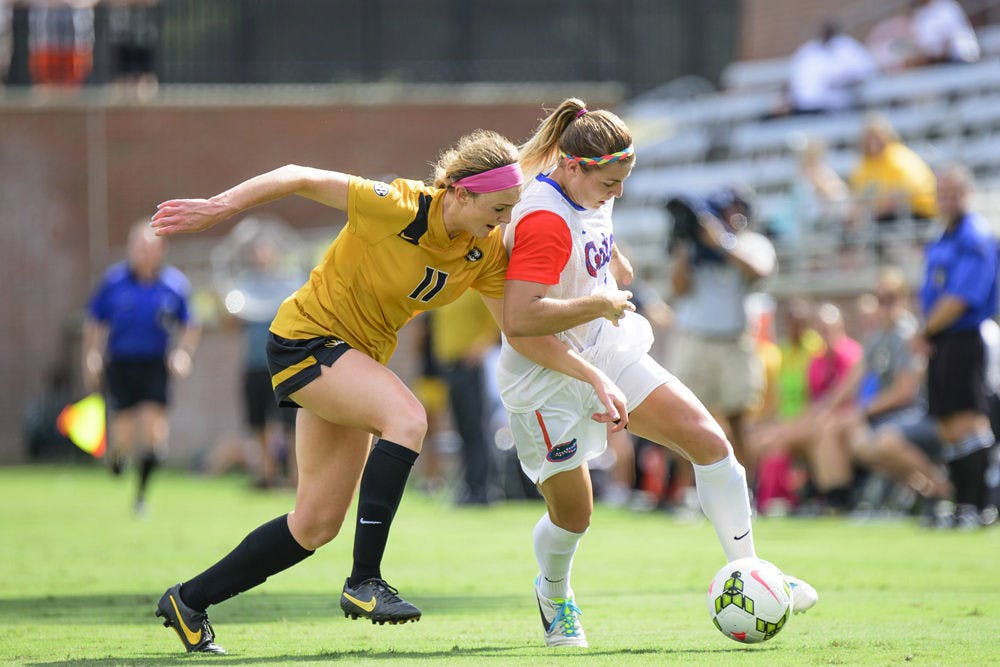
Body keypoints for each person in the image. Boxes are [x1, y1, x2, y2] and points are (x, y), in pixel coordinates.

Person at [148, 130, 612, 655]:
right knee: (408, 419)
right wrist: (218, 208)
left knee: (314, 525)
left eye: (512, 210)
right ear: (460, 193)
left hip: (354, 360)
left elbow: (522, 327)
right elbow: (297, 176)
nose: (504, 222)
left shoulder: (482, 251)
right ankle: (364, 580)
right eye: (499, 208)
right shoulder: (398, 205)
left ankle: (188, 602)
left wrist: (593, 376)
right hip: (306, 339)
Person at [495, 98, 817, 649]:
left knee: (710, 442)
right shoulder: (544, 218)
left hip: (606, 351)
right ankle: (554, 595)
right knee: (574, 517)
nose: (617, 193)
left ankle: (751, 571)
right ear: (573, 166)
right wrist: (598, 306)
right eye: (611, 183)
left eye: (623, 181)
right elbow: (521, 319)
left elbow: (594, 233)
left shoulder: (587, 190)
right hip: (546, 374)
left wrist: (611, 263)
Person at [82, 221, 200, 515]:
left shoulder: (174, 285)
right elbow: (96, 322)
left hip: (154, 365)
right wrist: (92, 355)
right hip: (120, 364)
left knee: (153, 434)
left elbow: (190, 325)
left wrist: (183, 354)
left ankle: (141, 497)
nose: (143, 253)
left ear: (160, 250)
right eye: (138, 247)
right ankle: (116, 459)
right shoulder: (114, 281)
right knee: (122, 437)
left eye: (149, 247)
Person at [668, 187, 776, 467]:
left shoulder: (751, 242)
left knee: (738, 420)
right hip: (695, 340)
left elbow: (760, 270)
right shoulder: (694, 246)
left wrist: (721, 243)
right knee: (687, 419)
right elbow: (679, 289)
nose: (731, 215)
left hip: (734, 341)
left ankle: (748, 491)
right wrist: (685, 245)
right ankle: (687, 494)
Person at [916, 164, 998, 527]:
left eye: (954, 193)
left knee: (969, 421)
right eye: (941, 193)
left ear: (966, 194)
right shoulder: (944, 236)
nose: (946, 200)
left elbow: (962, 297)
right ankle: (961, 503)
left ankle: (977, 506)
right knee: (948, 424)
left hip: (964, 337)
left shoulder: (973, 236)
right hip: (942, 341)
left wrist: (924, 330)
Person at [430, 289, 503, 505]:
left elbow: (495, 323)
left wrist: (478, 350)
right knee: (462, 430)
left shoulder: (477, 290)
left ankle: (481, 489)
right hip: (449, 367)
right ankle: (471, 486)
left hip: (471, 366)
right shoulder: (446, 290)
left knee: (475, 429)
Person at [849, 114, 937, 231]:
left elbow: (899, 197)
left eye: (876, 136)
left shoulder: (899, 157)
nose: (872, 142)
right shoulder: (865, 165)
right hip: (883, 216)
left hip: (917, 214)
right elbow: (859, 194)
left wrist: (869, 209)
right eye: (869, 137)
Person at [787, 21, 876, 115]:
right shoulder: (808, 51)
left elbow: (865, 70)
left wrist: (840, 81)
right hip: (806, 106)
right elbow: (796, 81)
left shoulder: (846, 47)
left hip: (836, 106)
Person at [908, 0, 980, 67]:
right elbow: (920, 43)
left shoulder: (947, 7)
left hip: (959, 59)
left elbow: (948, 40)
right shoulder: (920, 14)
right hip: (935, 62)